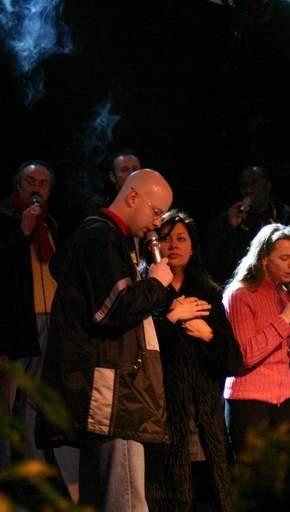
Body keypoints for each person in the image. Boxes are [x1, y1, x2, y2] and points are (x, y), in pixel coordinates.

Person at [38, 169, 173, 511]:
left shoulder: (109, 237)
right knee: (125, 500)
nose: (158, 224)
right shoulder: (101, 236)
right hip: (112, 393)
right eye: (156, 212)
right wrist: (156, 282)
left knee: (101, 499)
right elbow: (113, 310)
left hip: (110, 390)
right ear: (133, 197)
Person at [144, 210, 243, 511]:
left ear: (193, 247)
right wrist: (173, 317)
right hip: (163, 412)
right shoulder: (147, 291)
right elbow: (143, 349)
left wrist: (207, 334)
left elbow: (233, 360)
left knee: (210, 494)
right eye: (166, 238)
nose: (173, 244)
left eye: (181, 238)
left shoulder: (208, 293)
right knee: (169, 495)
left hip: (204, 416)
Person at [0, 161, 78, 494]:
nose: (36, 187)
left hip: (49, 318)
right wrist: (22, 230)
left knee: (35, 399)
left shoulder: (52, 224)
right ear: (17, 184)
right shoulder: (5, 218)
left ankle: (34, 475)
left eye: (43, 183)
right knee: (5, 401)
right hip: (14, 323)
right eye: (30, 180)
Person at [222, 223, 290, 455]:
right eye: (284, 258)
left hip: (285, 399)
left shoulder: (285, 295)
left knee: (287, 476)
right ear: (264, 259)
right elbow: (246, 355)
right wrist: (286, 318)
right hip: (249, 401)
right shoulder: (240, 294)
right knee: (256, 476)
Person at [205, 165, 290, 288]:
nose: (249, 190)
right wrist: (229, 227)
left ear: (267, 187)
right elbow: (216, 262)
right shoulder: (229, 220)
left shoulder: (286, 216)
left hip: (281, 288)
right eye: (244, 185)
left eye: (254, 183)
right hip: (245, 286)